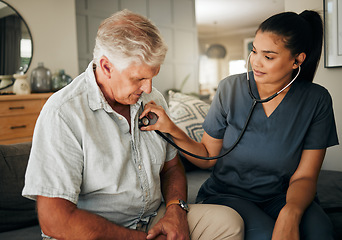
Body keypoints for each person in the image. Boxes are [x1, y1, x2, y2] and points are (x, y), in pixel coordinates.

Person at [22, 9, 244, 240]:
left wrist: (175, 211)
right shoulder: (63, 113)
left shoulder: (152, 98)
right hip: (94, 231)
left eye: (152, 76)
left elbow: (172, 167)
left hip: (151, 218)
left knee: (229, 223)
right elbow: (54, 220)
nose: (148, 89)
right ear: (106, 67)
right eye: (138, 78)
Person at [141, 10, 339, 240]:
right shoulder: (229, 89)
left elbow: (305, 177)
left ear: (297, 60)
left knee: (321, 233)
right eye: (254, 51)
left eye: (269, 56)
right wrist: (171, 128)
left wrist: (290, 213)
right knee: (264, 235)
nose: (256, 61)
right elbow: (207, 156)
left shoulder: (317, 100)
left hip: (284, 196)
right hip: (230, 195)